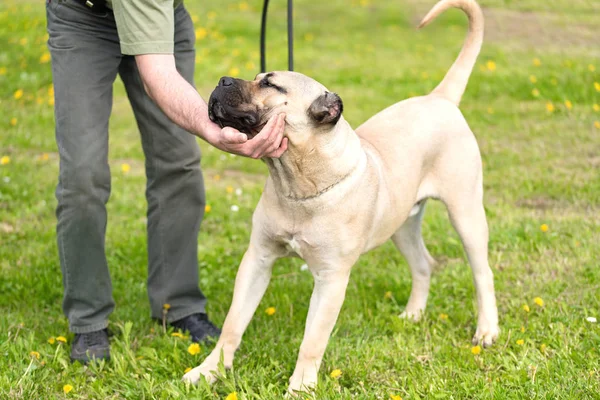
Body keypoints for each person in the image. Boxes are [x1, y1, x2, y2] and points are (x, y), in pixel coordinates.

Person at [46, 0, 288, 364]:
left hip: (162, 19)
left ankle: (177, 304)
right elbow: (157, 75)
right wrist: (211, 130)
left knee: (178, 161)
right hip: (84, 17)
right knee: (84, 175)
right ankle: (88, 317)